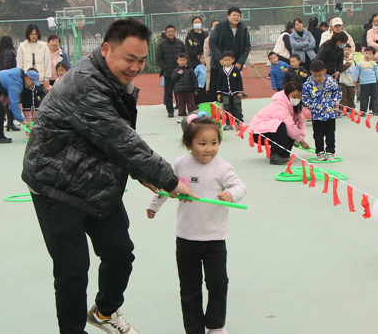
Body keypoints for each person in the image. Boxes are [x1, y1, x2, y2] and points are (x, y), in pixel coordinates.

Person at [21, 19, 197, 334]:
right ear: (106, 50)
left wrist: (142, 174)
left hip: (95, 180)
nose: (135, 67)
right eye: (129, 59)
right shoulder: (85, 84)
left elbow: (116, 139)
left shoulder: (116, 80)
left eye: (142, 61)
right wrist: (169, 180)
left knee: (119, 253)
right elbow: (119, 138)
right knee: (73, 270)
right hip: (55, 184)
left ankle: (104, 311)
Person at [146, 117, 246, 334]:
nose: (209, 149)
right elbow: (171, 186)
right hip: (186, 238)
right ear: (189, 144)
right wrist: (154, 204)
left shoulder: (222, 167)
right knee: (190, 289)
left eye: (214, 143)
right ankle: (194, 329)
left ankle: (216, 326)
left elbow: (240, 186)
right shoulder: (181, 164)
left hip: (215, 239)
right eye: (202, 143)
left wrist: (231, 193)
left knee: (218, 284)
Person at [249, 81, 309, 165]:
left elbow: (300, 123)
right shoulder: (279, 105)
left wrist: (298, 138)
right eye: (294, 96)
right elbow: (289, 126)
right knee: (282, 125)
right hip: (258, 132)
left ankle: (284, 154)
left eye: (299, 96)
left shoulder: (297, 106)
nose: (296, 99)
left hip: (271, 129)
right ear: (287, 95)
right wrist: (301, 142)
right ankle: (276, 155)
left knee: (292, 128)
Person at [301, 60, 341, 162]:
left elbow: (338, 92)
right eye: (315, 76)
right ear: (311, 73)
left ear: (325, 71)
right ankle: (320, 152)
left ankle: (330, 152)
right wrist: (312, 106)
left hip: (330, 114)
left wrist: (333, 103)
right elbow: (305, 98)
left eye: (320, 75)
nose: (318, 78)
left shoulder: (331, 82)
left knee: (330, 134)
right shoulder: (307, 84)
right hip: (316, 115)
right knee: (318, 135)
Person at [209, 7, 251, 102]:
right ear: (228, 16)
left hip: (235, 65)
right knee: (217, 89)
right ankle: (216, 111)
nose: (236, 17)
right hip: (218, 64)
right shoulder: (220, 27)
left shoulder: (243, 29)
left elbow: (247, 46)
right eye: (234, 15)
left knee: (234, 89)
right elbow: (212, 43)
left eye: (238, 16)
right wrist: (221, 59)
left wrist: (240, 62)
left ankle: (234, 113)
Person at [156, 24, 186, 117]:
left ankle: (181, 109)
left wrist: (183, 66)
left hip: (180, 72)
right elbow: (158, 58)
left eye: (173, 31)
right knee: (168, 92)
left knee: (180, 92)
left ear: (175, 32)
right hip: (168, 73)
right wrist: (165, 68)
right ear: (166, 33)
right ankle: (170, 110)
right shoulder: (161, 44)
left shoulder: (180, 43)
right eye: (169, 32)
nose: (171, 33)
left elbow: (185, 55)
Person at [16, 24, 51, 93]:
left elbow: (47, 62)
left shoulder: (44, 46)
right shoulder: (22, 46)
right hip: (27, 80)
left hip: (40, 80)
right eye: (31, 34)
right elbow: (19, 64)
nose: (33, 36)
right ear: (28, 34)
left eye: (35, 34)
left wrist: (47, 78)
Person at [0, 36, 19, 131]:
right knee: (10, 99)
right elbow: (6, 65)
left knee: (5, 100)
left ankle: (6, 120)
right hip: (8, 80)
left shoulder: (1, 52)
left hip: (1, 78)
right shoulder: (8, 52)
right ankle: (10, 121)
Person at [217, 51, 244, 130]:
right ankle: (229, 124)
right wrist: (219, 93)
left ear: (233, 60)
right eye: (225, 60)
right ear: (223, 60)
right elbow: (219, 82)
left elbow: (239, 81)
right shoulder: (221, 71)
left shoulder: (235, 70)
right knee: (227, 109)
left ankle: (239, 123)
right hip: (225, 93)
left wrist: (240, 91)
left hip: (236, 93)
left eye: (229, 60)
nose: (227, 62)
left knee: (237, 108)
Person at [354, 46, 378, 116]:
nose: (368, 55)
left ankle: (375, 110)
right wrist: (355, 79)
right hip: (364, 83)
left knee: (375, 97)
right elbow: (356, 72)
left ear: (373, 55)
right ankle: (363, 110)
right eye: (366, 53)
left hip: (373, 83)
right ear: (363, 53)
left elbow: (377, 72)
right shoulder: (360, 63)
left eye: (370, 54)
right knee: (363, 97)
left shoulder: (374, 63)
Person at [173, 52, 199, 123]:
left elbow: (194, 80)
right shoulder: (176, 71)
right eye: (180, 60)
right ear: (177, 61)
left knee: (191, 104)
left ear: (186, 60)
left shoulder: (190, 70)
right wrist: (178, 74)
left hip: (189, 90)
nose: (182, 62)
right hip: (180, 91)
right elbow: (173, 79)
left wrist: (195, 89)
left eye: (183, 60)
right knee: (181, 104)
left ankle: (191, 116)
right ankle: (182, 116)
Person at [20, 67, 42, 139]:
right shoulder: (24, 87)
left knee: (35, 121)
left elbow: (39, 92)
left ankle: (35, 134)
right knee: (28, 121)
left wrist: (45, 90)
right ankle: (28, 135)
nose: (33, 84)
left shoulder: (35, 87)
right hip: (27, 107)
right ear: (28, 79)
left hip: (35, 107)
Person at [204, 19, 220, 102]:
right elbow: (206, 54)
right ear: (211, 27)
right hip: (212, 66)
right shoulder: (207, 40)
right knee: (212, 87)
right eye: (214, 26)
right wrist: (211, 64)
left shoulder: (224, 37)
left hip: (222, 65)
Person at [339, 44, 356, 110]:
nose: (346, 51)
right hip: (343, 81)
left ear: (351, 51)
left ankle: (352, 108)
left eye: (348, 50)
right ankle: (343, 109)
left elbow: (356, 71)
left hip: (351, 81)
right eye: (345, 50)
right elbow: (341, 69)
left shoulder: (353, 61)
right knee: (343, 96)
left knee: (351, 96)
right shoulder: (341, 61)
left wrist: (357, 80)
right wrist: (348, 64)